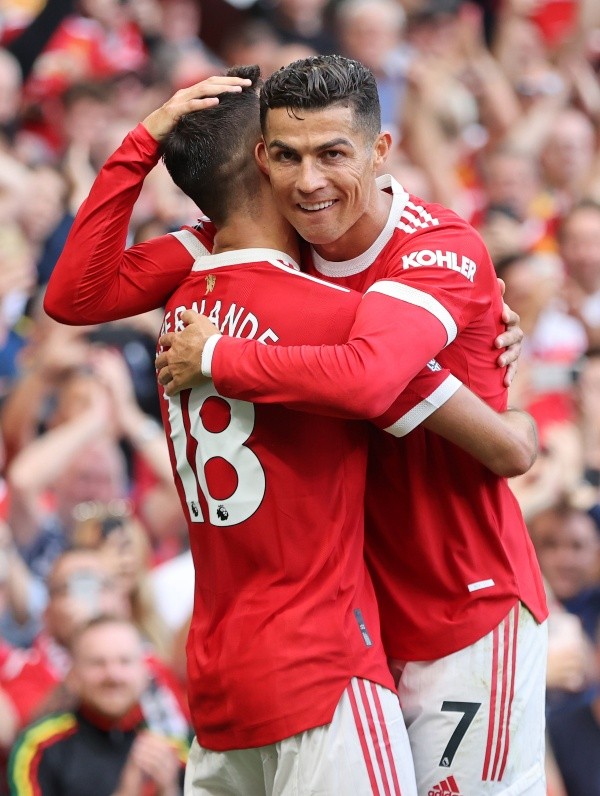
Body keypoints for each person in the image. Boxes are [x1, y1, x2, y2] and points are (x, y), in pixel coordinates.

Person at [44, 65, 540, 795]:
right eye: (287, 155)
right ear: (260, 159)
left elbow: (416, 399)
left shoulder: (436, 251)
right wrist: (146, 137)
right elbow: (75, 294)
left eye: (332, 153)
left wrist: (220, 355)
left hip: (457, 605)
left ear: (381, 151)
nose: (309, 181)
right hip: (352, 624)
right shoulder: (254, 243)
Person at [7, 615, 187, 796]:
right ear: (73, 674)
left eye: (125, 661)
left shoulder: (174, 743)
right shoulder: (38, 747)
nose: (113, 675)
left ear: (144, 671)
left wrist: (169, 791)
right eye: (97, 663)